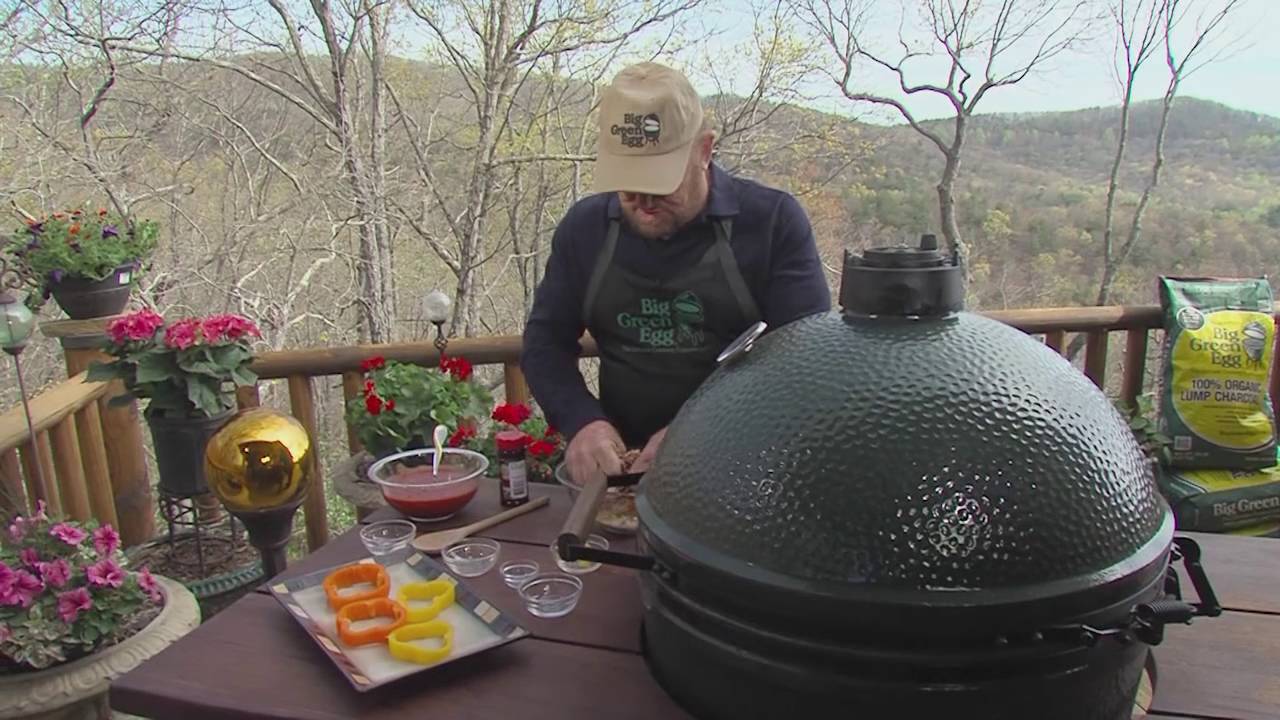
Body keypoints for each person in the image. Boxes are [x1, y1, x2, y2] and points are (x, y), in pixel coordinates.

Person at [520, 61, 831, 488]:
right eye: (628, 183)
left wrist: (699, 434)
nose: (644, 201)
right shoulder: (585, 230)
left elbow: (803, 364)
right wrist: (581, 421)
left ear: (704, 150)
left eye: (660, 183)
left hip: (747, 468)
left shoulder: (772, 222)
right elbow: (544, 344)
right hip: (623, 472)